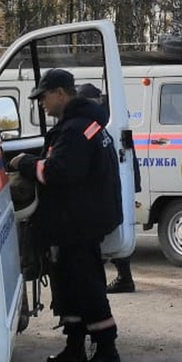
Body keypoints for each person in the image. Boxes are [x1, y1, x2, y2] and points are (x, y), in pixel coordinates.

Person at [10, 68, 124, 362]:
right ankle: (75, 345)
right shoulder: (86, 123)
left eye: (43, 96)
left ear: (60, 93)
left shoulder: (75, 129)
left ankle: (106, 352)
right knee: (69, 286)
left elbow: (58, 172)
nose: (41, 103)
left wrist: (25, 163)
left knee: (86, 288)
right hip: (78, 221)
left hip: (78, 224)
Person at [75, 83, 139, 293]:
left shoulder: (96, 121)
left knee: (100, 234)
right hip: (121, 178)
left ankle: (111, 280)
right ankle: (122, 277)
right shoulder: (108, 116)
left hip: (112, 180)